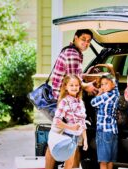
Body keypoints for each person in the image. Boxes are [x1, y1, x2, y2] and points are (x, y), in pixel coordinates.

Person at [45, 29, 98, 168]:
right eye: (83, 39)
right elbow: (75, 81)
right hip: (65, 103)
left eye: (88, 41)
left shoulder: (70, 51)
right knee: (69, 140)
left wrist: (85, 75)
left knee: (56, 139)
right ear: (75, 38)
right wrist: (88, 87)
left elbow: (74, 76)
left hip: (61, 100)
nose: (86, 43)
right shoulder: (73, 54)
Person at [47, 75, 88, 169]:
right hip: (67, 136)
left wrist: (85, 140)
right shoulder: (64, 102)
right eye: (71, 85)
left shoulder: (80, 102)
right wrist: (71, 127)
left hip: (76, 137)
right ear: (66, 86)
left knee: (71, 164)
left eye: (76, 85)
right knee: (68, 164)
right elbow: (57, 121)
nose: (74, 87)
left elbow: (82, 122)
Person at [91, 74, 120, 169]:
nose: (103, 87)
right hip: (113, 131)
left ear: (113, 84)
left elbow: (93, 102)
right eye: (102, 84)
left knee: (103, 161)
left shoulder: (106, 96)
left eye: (106, 84)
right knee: (110, 160)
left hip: (103, 131)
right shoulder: (116, 93)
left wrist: (99, 93)